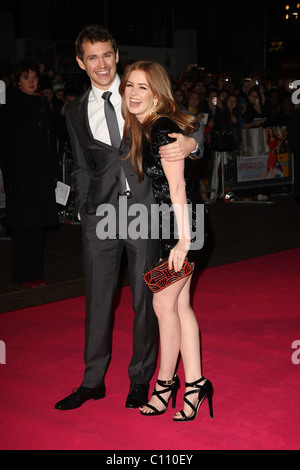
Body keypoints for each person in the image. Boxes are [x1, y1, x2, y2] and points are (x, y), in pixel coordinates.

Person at [54, 24, 204, 411]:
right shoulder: (73, 110)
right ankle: (92, 381)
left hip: (148, 215)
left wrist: (193, 143)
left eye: (107, 55)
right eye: (92, 57)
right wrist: (86, 212)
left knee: (147, 302)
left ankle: (141, 379)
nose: (101, 64)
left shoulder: (138, 90)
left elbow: (185, 122)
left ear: (116, 55)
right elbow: (81, 165)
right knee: (97, 301)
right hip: (100, 217)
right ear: (80, 62)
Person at [119, 60, 213, 422]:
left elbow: (177, 187)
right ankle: (196, 384)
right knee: (179, 306)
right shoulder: (148, 126)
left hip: (183, 228)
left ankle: (166, 385)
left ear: (158, 93)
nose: (134, 93)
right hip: (176, 225)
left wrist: (183, 241)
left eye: (143, 87)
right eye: (130, 85)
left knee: (162, 305)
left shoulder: (161, 129)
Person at [0, 60, 58, 288]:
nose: (32, 82)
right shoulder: (10, 107)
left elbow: (49, 140)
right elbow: (5, 145)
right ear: (17, 81)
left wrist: (52, 173)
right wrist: (10, 178)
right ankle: (24, 275)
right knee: (23, 228)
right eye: (27, 78)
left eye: (34, 77)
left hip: (40, 175)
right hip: (21, 176)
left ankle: (36, 273)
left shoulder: (41, 104)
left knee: (38, 228)